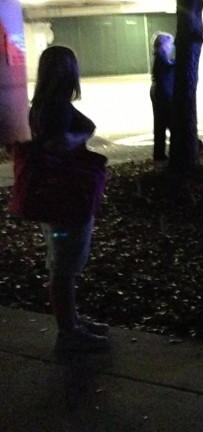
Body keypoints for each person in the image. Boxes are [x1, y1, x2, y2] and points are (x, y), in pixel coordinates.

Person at [28, 46, 110, 353]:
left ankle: (72, 321)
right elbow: (58, 144)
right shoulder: (57, 107)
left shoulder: (38, 105)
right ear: (69, 72)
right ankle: (69, 333)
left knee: (61, 261)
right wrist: (83, 136)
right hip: (67, 197)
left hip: (55, 196)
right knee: (65, 265)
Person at [150, 32, 175, 161]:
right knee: (169, 122)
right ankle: (165, 153)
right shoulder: (161, 56)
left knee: (159, 123)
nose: (172, 46)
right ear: (164, 44)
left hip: (158, 91)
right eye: (170, 43)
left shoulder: (159, 56)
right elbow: (167, 70)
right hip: (162, 92)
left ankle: (159, 153)